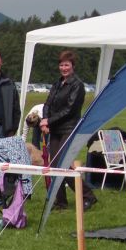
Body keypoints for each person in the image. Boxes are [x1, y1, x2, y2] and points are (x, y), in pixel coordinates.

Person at [41, 50, 97, 210]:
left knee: (62, 164)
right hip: (54, 130)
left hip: (69, 128)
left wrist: (49, 120)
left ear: (73, 66)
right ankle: (60, 201)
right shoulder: (57, 84)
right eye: (61, 65)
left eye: (66, 65)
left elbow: (70, 109)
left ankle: (87, 195)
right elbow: (47, 104)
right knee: (54, 164)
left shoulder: (77, 85)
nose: (63, 68)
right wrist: (45, 122)